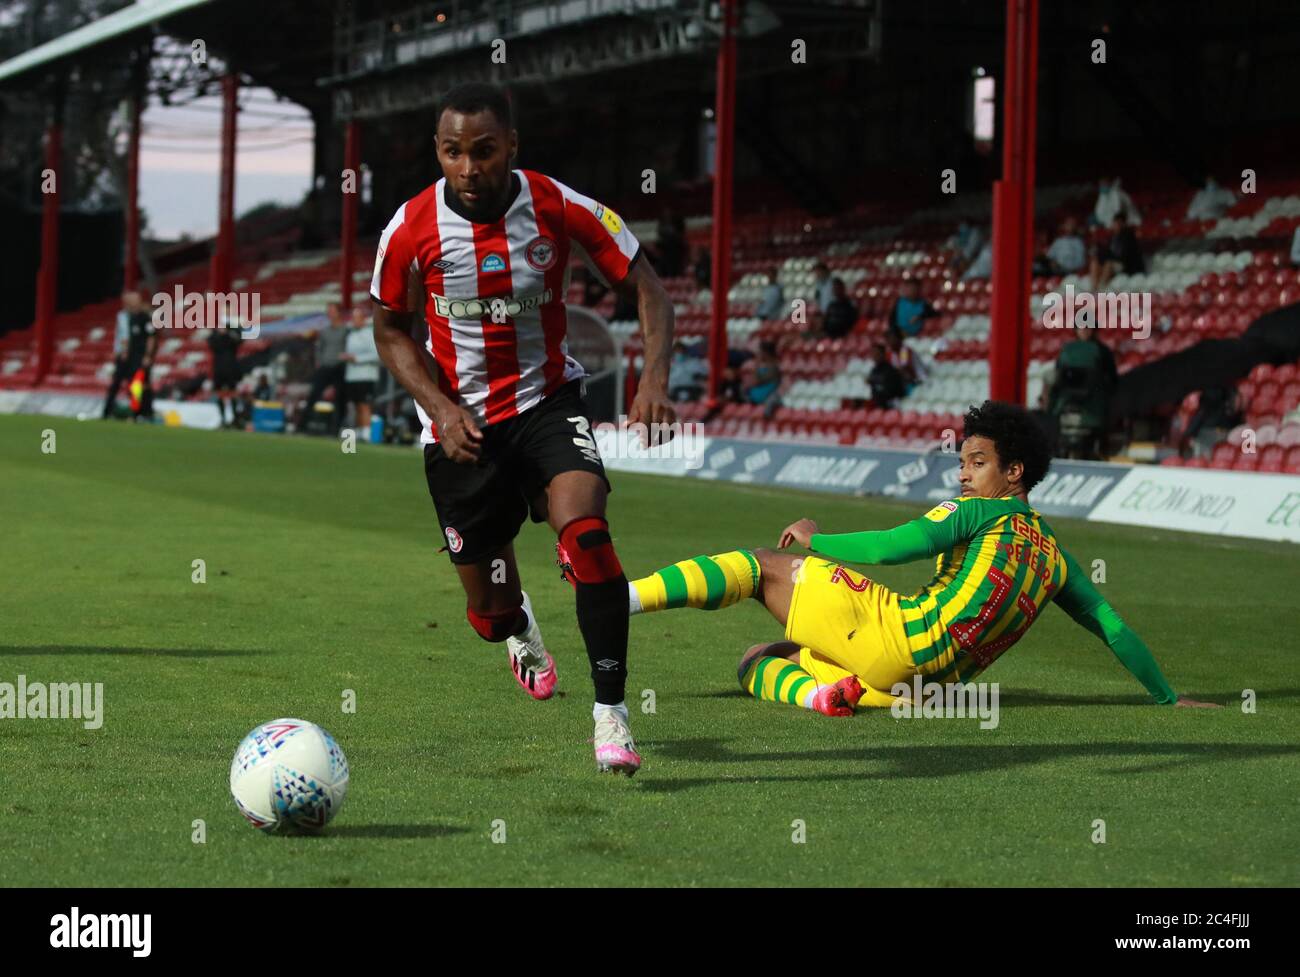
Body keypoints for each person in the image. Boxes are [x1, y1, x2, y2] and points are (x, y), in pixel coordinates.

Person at [370, 82, 676, 775]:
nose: (469, 167)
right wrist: (442, 409)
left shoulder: (557, 205)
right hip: (463, 428)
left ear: (511, 146)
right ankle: (519, 625)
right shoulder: (409, 227)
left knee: (588, 534)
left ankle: (611, 716)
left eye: (483, 151)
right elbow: (389, 331)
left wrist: (653, 381)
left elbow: (648, 286)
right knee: (490, 613)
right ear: (438, 153)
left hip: (547, 403)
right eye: (453, 152)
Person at [619, 400, 1218, 715]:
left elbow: (893, 546)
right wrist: (1167, 696)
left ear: (1014, 473)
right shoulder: (1055, 558)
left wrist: (814, 538)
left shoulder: (980, 513)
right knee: (758, 658)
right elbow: (1110, 625)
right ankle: (819, 698)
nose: (963, 475)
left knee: (759, 566)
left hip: (897, 636)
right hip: (924, 690)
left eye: (977, 463)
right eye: (962, 463)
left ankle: (621, 599)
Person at [101, 290, 157, 421]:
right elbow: (124, 337)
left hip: (138, 357)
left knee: (137, 385)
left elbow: (151, 337)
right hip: (127, 357)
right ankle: (108, 411)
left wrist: (148, 355)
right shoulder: (127, 317)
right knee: (120, 384)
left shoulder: (145, 317)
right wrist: (120, 350)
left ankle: (137, 413)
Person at [301, 303, 349, 433]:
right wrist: (320, 361)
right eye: (328, 311)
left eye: (332, 311)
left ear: (339, 313)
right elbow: (320, 349)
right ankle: (303, 424)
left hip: (340, 367)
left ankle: (336, 428)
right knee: (314, 394)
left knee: (340, 398)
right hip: (325, 366)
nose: (330, 314)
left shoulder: (346, 330)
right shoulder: (325, 331)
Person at [341, 305, 380, 435]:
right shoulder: (351, 334)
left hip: (366, 375)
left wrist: (356, 358)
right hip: (352, 375)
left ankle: (367, 431)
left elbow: (375, 354)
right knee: (356, 404)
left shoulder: (369, 334)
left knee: (364, 404)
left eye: (357, 318)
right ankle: (359, 429)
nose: (354, 320)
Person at [1089, 213, 1144, 290]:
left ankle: (1101, 289)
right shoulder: (1112, 238)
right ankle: (1094, 288)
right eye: (1114, 223)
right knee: (1094, 263)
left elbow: (1126, 257)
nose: (1115, 226)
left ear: (1123, 224)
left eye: (1118, 223)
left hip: (1126, 266)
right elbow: (1108, 253)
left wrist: (1111, 258)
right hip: (1114, 263)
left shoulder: (1129, 237)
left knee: (1108, 264)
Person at [207, 317, 243, 428]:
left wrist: (228, 333)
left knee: (232, 393)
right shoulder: (215, 335)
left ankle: (235, 419)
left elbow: (239, 340)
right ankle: (223, 419)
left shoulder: (234, 331)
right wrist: (220, 333)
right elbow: (210, 343)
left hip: (231, 367)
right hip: (219, 368)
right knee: (219, 394)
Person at [742, 340, 782, 417]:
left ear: (766, 353)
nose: (759, 354)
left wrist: (756, 365)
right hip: (753, 397)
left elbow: (756, 381)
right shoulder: (765, 366)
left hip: (765, 399)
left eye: (761, 352)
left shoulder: (773, 368)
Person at [867, 341, 905, 407]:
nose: (875, 356)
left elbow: (894, 392)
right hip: (878, 403)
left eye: (877, 354)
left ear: (883, 354)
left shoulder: (891, 370)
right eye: (873, 354)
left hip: (891, 405)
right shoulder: (873, 371)